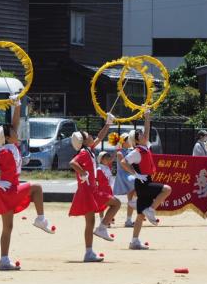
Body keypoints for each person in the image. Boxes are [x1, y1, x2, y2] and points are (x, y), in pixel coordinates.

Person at [0, 96, 54, 271]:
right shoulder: (5, 151)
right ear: (7, 137)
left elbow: (15, 123)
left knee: (8, 227)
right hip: (8, 190)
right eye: (13, 132)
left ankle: (4, 260)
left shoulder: (11, 146)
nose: (17, 132)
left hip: (10, 189)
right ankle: (40, 219)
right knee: (36, 188)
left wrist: (17, 105)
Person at [68, 116, 121, 262]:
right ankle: (100, 232)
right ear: (84, 141)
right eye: (88, 135)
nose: (92, 136)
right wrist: (82, 172)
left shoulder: (89, 150)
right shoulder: (84, 152)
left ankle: (90, 251)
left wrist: (108, 123)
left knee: (90, 222)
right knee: (115, 204)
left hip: (91, 190)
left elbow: (100, 137)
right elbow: (72, 163)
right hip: (88, 191)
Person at [120, 110, 172, 250]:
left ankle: (134, 241)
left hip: (145, 181)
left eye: (143, 134)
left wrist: (147, 116)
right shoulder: (136, 151)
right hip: (143, 183)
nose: (144, 135)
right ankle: (151, 209)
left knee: (140, 215)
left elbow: (147, 130)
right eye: (141, 135)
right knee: (167, 189)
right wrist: (135, 174)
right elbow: (123, 162)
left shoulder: (145, 147)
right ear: (137, 140)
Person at [112, 132, 137, 227]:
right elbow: (124, 165)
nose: (130, 141)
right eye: (128, 139)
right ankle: (139, 209)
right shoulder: (119, 152)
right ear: (123, 142)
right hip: (125, 176)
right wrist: (134, 172)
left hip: (130, 175)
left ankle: (128, 220)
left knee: (131, 199)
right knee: (137, 185)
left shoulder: (131, 150)